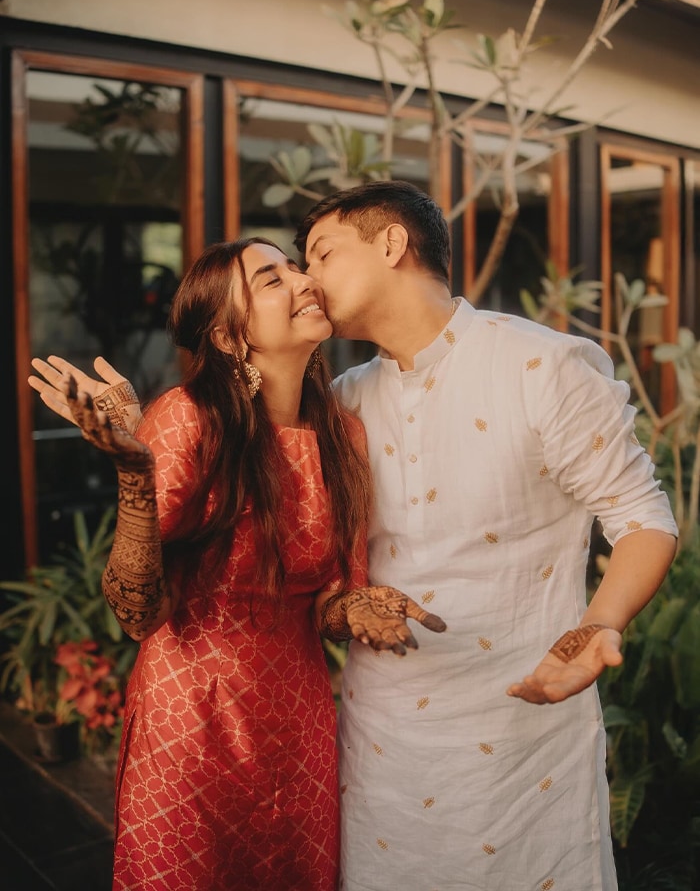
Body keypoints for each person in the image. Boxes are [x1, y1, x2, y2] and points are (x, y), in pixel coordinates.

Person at [32, 182, 678, 891]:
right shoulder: (319, 404)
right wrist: (141, 460)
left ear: (392, 245)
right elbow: (168, 588)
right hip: (324, 735)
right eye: (283, 271)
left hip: (484, 730)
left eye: (317, 255)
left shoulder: (511, 373)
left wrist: (597, 624)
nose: (307, 278)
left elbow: (640, 513)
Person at [29, 235, 445, 891]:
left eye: (295, 268)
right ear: (228, 336)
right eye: (272, 280)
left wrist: (358, 607)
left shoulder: (345, 436)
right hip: (192, 720)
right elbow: (137, 612)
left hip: (300, 725)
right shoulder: (189, 417)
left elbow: (331, 601)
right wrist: (134, 473)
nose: (303, 281)